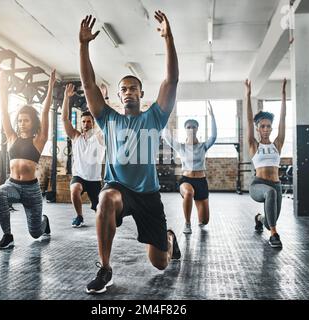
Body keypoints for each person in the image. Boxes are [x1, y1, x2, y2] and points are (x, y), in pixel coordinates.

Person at [79, 11, 181, 294]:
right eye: (123, 89)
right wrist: (84, 45)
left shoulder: (154, 117)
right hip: (119, 189)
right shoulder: (108, 118)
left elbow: (171, 81)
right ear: (119, 94)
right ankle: (104, 268)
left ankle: (169, 239)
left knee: (160, 263)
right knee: (105, 199)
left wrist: (168, 39)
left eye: (133, 88)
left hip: (148, 195)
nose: (127, 92)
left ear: (140, 93)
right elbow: (88, 85)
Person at [0, 69, 55, 249]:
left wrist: (50, 86)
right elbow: (4, 110)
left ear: (33, 123)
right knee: (0, 192)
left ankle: (44, 222)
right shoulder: (12, 137)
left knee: (35, 233)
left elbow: (44, 113)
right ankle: (7, 236)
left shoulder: (39, 140)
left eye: (26, 120)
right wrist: (2, 87)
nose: (22, 123)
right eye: (20, 120)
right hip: (12, 185)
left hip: (31, 190)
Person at [162, 101, 217, 234]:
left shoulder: (203, 146)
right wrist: (166, 116)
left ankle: (199, 218)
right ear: (185, 130)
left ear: (197, 129)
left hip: (201, 182)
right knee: (188, 192)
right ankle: (187, 223)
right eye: (188, 127)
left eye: (193, 126)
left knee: (204, 221)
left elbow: (214, 136)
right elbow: (166, 136)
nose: (191, 129)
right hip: (186, 180)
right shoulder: (181, 147)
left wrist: (212, 117)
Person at [245, 78, 287, 248]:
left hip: (276, 185)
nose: (266, 129)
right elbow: (248, 120)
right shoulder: (254, 145)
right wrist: (248, 95)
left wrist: (283, 95)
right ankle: (274, 235)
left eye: (268, 126)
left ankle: (260, 220)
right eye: (262, 126)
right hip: (258, 185)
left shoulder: (277, 144)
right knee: (269, 193)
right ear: (257, 128)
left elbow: (283, 119)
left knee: (269, 221)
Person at [61, 83, 105, 227]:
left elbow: (104, 120)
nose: (86, 124)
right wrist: (66, 98)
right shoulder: (76, 137)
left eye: (89, 122)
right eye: (84, 122)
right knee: (74, 189)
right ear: (81, 124)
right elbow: (64, 120)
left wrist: (102, 99)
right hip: (79, 175)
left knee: (100, 210)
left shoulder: (98, 137)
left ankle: (102, 217)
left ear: (93, 124)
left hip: (94, 179)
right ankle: (79, 216)